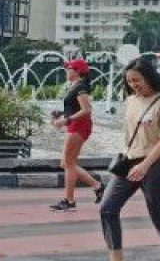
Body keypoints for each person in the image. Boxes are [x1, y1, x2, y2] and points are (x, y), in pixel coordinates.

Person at [99, 58, 160, 261]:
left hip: (156, 163)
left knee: (159, 216)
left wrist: (145, 165)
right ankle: (116, 257)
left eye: (137, 80)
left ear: (149, 77)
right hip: (129, 161)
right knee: (107, 208)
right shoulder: (131, 100)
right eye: (129, 81)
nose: (133, 85)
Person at [50, 58, 104, 211]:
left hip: (79, 126)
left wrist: (65, 120)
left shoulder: (80, 87)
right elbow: (75, 108)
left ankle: (70, 201)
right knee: (66, 163)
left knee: (68, 163)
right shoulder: (75, 86)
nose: (66, 71)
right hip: (76, 125)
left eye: (69, 68)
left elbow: (86, 109)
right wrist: (61, 113)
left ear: (77, 71)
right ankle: (97, 186)